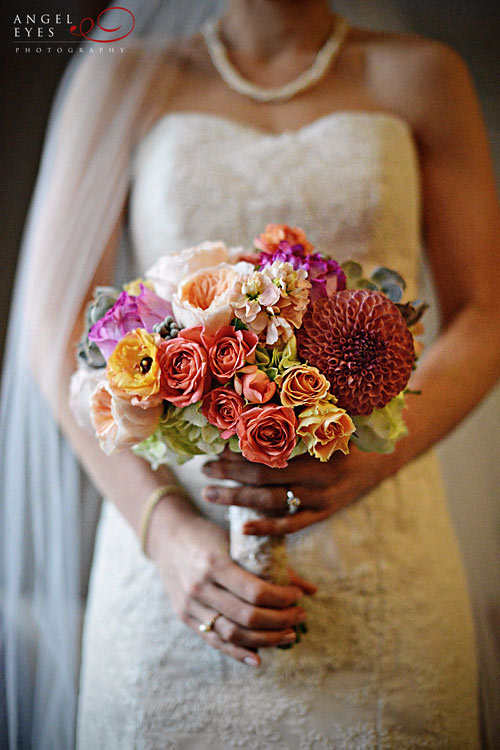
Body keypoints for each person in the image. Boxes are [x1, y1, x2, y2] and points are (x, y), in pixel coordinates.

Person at [2, 1, 499, 748]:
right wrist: (164, 533)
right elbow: (54, 329)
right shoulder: (124, 76)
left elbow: (485, 312)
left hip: (383, 556)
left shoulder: (424, 76)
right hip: (177, 560)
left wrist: (372, 461)